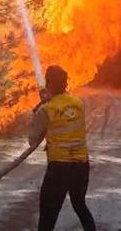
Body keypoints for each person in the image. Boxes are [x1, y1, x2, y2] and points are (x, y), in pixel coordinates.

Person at [29, 65, 96, 231]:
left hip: (59, 168)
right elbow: (65, 116)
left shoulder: (46, 110)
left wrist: (39, 109)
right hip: (81, 165)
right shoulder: (79, 104)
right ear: (66, 83)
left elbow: (32, 140)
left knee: (48, 214)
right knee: (80, 205)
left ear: (48, 83)